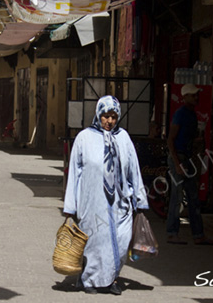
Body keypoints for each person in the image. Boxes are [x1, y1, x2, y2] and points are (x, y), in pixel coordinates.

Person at [63, 95, 149, 295]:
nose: (109, 121)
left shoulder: (124, 138)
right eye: (105, 116)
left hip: (121, 203)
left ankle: (112, 277)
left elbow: (133, 170)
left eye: (113, 116)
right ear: (98, 114)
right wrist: (70, 208)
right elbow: (74, 174)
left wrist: (140, 200)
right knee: (95, 242)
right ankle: (91, 280)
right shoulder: (84, 138)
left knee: (121, 240)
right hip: (92, 201)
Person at [166, 84, 213, 245]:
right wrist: (177, 164)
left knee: (193, 197)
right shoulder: (180, 114)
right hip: (180, 158)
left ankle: (198, 234)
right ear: (185, 96)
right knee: (177, 196)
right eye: (193, 95)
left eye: (197, 95)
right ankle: (172, 233)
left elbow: (187, 138)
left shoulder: (192, 115)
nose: (196, 98)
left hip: (187, 159)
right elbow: (170, 140)